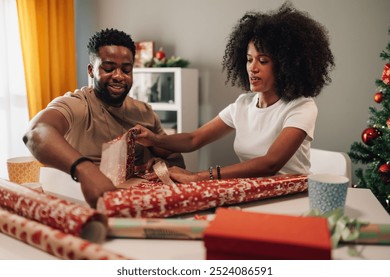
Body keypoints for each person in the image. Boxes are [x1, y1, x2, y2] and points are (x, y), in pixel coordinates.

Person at [134, 2, 335, 183]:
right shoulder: (243, 104)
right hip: (251, 193)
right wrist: (155, 139)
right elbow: (194, 139)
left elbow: (270, 164)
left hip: (292, 197)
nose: (252, 68)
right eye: (249, 59)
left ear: (285, 66)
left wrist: (198, 176)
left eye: (263, 61)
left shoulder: (301, 106)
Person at [23, 28, 185, 208]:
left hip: (139, 205)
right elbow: (36, 132)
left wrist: (162, 164)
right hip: (86, 204)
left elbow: (174, 157)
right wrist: (85, 170)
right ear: (91, 71)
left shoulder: (144, 112)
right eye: (108, 68)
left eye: (126, 69)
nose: (118, 76)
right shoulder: (78, 105)